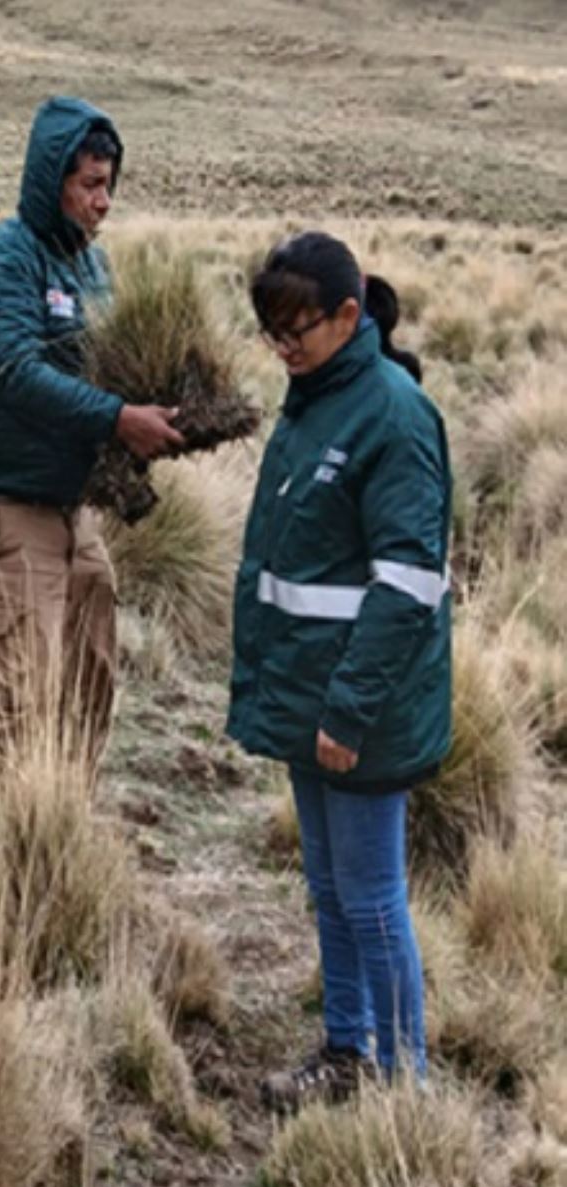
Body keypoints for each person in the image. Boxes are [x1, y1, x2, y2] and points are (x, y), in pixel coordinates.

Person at [229, 231, 449, 1112]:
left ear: (349, 315)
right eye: (271, 332)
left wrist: (349, 711)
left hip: (363, 710)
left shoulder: (392, 414)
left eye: (298, 330)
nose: (283, 347)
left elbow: (407, 585)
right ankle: (348, 1052)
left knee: (370, 899)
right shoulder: (314, 397)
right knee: (328, 889)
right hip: (309, 695)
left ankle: (403, 1094)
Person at [0, 96, 184, 798]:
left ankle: (57, 818)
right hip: (10, 501)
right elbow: (18, 374)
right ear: (53, 182)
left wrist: (154, 422)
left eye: (109, 185)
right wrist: (117, 419)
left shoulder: (92, 270)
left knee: (91, 674)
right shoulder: (6, 261)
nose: (103, 201)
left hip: (74, 506)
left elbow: (103, 375)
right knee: (30, 688)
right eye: (88, 185)